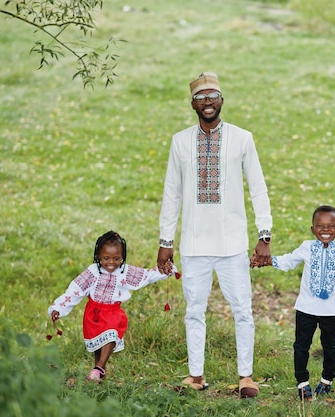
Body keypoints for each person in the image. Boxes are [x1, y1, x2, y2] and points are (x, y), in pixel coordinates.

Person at [156, 72, 272, 398]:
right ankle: (196, 375)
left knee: (242, 310)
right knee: (194, 310)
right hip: (194, 243)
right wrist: (166, 242)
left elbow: (258, 189)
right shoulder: (180, 141)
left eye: (213, 96)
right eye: (201, 97)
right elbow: (171, 194)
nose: (207, 102)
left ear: (222, 100)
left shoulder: (241, 138)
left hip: (233, 242)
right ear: (192, 103)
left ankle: (246, 377)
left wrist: (265, 235)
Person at [252, 205, 335, 401]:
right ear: (312, 229)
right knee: (301, 346)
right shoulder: (306, 247)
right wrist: (266, 261)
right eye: (320, 226)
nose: (326, 230)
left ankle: (327, 379)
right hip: (305, 309)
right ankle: (302, 382)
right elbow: (289, 261)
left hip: (331, 312)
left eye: (331, 226)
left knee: (330, 346)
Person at [48, 231, 176, 382]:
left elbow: (145, 276)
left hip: (113, 313)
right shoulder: (92, 272)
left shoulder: (124, 271)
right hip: (93, 313)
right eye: (106, 258)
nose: (111, 262)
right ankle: (99, 375)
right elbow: (76, 290)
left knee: (111, 335)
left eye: (117, 258)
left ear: (122, 257)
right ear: (98, 256)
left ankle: (100, 366)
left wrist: (166, 269)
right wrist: (59, 308)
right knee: (97, 345)